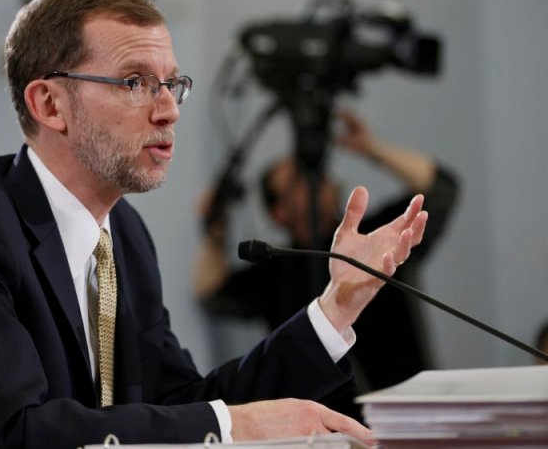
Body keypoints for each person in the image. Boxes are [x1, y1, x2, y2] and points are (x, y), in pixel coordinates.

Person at [0, 0, 428, 448]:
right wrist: (237, 426)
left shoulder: (126, 235)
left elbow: (177, 403)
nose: (166, 110)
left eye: (171, 84)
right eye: (135, 82)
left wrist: (337, 308)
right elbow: (12, 435)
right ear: (49, 105)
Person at [193, 109, 458, 411]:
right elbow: (211, 291)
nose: (313, 181)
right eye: (298, 180)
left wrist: (372, 148)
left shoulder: (373, 239)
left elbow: (441, 188)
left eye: (315, 174)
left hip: (410, 410)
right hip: (324, 427)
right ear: (278, 213)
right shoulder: (276, 269)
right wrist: (214, 232)